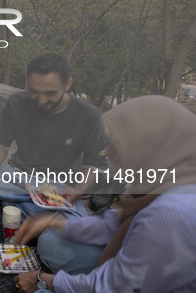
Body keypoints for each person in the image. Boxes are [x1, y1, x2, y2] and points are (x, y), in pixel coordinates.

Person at [13, 95, 196, 293]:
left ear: (147, 145)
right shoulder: (166, 180)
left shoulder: (172, 213)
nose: (107, 152)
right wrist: (53, 222)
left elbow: (113, 288)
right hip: (134, 274)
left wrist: (43, 280)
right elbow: (115, 223)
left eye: (115, 143)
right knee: (51, 240)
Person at [0, 53, 107, 216]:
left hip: (57, 187)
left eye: (50, 93)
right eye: (34, 92)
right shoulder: (16, 103)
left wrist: (78, 190)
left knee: (74, 230)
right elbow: (0, 148)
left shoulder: (89, 115)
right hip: (17, 175)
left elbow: (95, 165)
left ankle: (15, 202)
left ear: (67, 84)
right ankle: (33, 205)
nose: (41, 101)